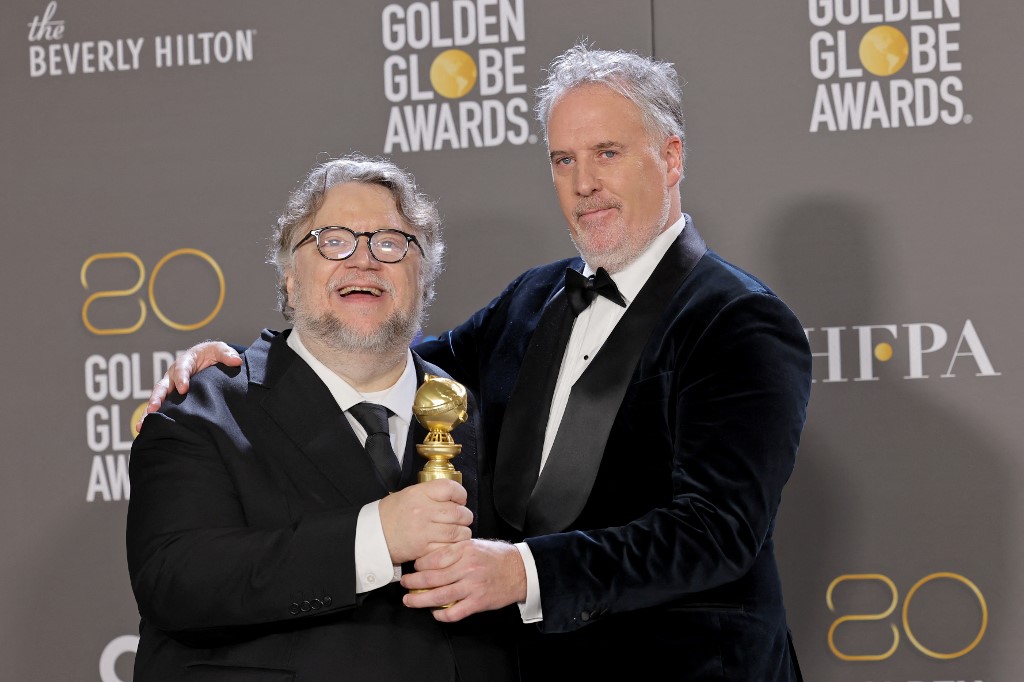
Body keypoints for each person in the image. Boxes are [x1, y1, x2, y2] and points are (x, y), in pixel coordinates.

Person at [147, 43, 812, 681]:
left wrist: (522, 573)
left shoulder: (738, 319)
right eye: (563, 159)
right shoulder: (534, 299)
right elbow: (378, 358)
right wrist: (248, 366)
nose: (584, 184)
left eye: (607, 153)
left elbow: (716, 532)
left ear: (670, 157)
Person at [127, 154, 517, 681]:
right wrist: (375, 537)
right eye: (333, 241)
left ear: (423, 277)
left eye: (391, 242)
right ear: (289, 279)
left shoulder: (479, 415)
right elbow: (175, 581)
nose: (364, 260)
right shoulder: (203, 408)